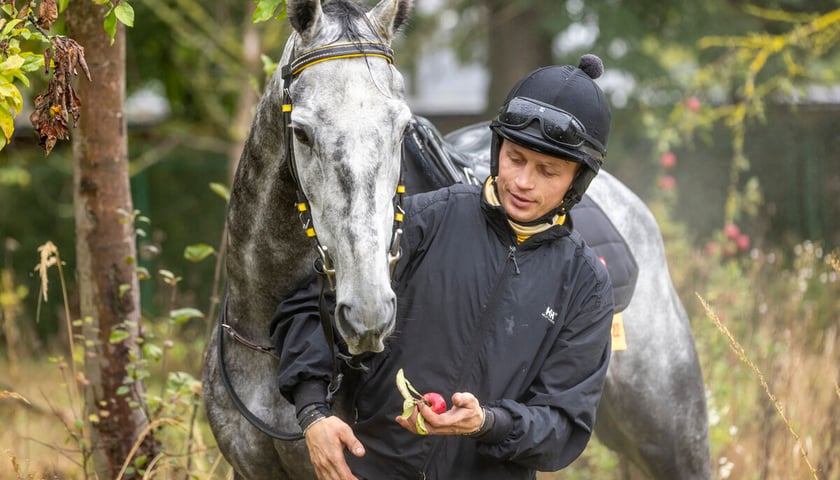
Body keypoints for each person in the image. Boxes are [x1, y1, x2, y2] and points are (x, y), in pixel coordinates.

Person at [271, 53, 615, 480]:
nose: (523, 182)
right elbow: (308, 307)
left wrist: (487, 423)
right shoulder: (421, 220)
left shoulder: (586, 284)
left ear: (577, 181)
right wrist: (312, 413)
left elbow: (564, 426)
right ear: (497, 149)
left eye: (548, 170)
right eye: (515, 158)